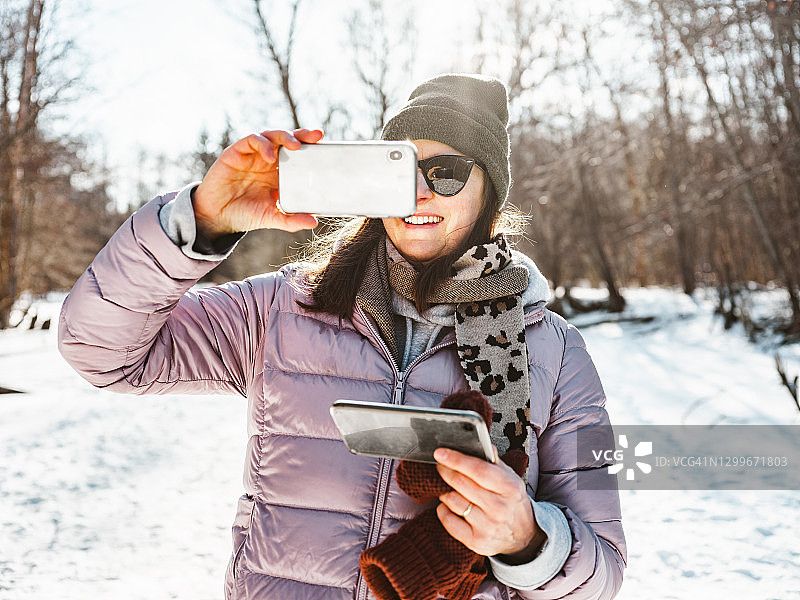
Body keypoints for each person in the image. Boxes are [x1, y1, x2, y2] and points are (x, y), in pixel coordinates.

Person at [58, 73, 626, 599]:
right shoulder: (284, 308)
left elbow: (604, 569)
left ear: (488, 195)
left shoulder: (556, 353)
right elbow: (100, 352)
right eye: (400, 171)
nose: (420, 194)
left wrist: (529, 539)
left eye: (446, 173)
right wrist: (201, 219)